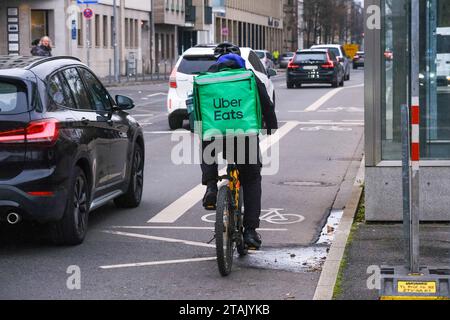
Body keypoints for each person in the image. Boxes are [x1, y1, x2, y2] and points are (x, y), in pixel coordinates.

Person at [200, 43, 278, 250]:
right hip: (244, 136)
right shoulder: (249, 78)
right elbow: (267, 105)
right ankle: (250, 232)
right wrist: (271, 127)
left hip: (215, 135)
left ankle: (210, 188)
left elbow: (197, 109)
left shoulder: (206, 80)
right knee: (251, 178)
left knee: (207, 144)